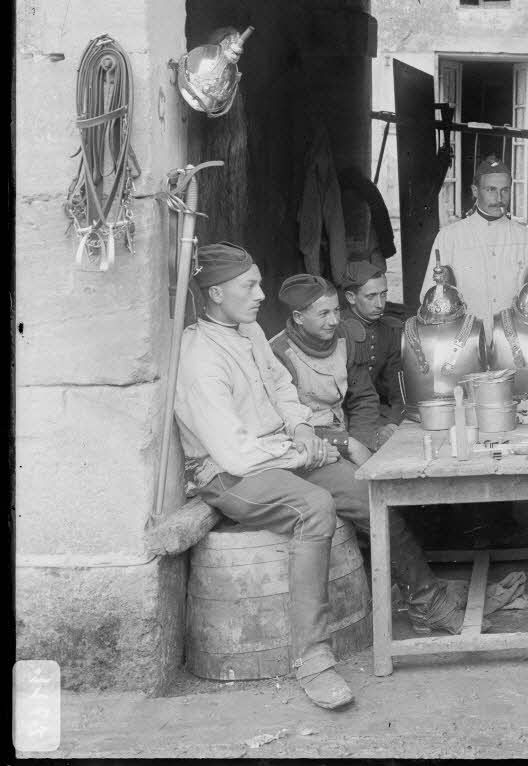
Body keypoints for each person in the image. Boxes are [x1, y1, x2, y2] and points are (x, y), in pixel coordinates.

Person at [173, 243, 464, 711]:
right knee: (314, 507)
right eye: (250, 286)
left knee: (367, 491)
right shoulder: (200, 356)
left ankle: (425, 600)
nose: (261, 295)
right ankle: (312, 659)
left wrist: (303, 428)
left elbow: (281, 387)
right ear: (215, 293)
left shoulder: (247, 331)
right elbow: (234, 452)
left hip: (278, 451)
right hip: (227, 471)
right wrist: (300, 451)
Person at [423, 155, 528, 327]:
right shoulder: (449, 237)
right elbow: (430, 297)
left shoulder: (526, 238)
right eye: (491, 190)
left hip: (511, 337)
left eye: (505, 190)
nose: (499, 198)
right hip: (464, 336)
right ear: (475, 191)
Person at [269, 274, 381, 466]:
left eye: (336, 310)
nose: (334, 320)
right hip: (310, 447)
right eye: (324, 314)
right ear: (299, 317)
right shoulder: (278, 354)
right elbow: (283, 425)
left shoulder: (345, 336)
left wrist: (363, 443)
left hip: (351, 434)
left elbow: (363, 397)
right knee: (355, 482)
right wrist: (346, 443)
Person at [336, 257, 404, 444]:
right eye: (371, 296)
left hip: (373, 413)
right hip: (339, 418)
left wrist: (392, 423)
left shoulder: (390, 330)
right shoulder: (336, 330)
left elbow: (396, 388)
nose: (380, 304)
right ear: (351, 297)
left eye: (383, 294)